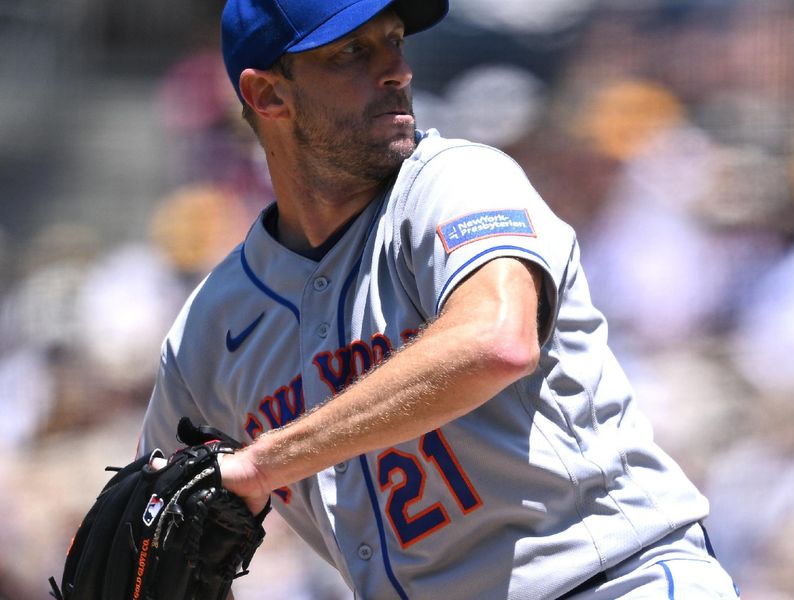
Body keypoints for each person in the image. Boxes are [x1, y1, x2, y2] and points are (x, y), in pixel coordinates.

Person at [138, 0, 740, 598]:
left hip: (610, 580)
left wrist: (266, 463)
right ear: (269, 96)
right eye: (352, 51)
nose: (396, 69)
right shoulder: (210, 330)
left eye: (394, 39)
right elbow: (142, 519)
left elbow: (496, 342)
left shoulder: (456, 182)